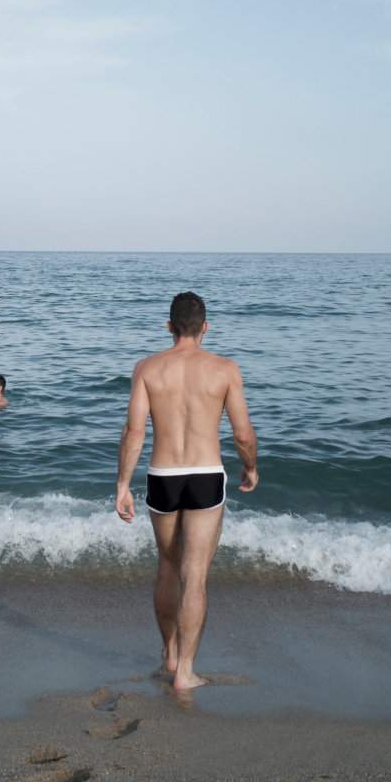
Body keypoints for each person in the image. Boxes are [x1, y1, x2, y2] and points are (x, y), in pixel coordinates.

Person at [115, 292, 258, 691]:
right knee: (194, 576)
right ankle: (186, 673)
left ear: (169, 327)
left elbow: (134, 432)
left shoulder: (147, 368)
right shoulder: (225, 369)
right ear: (205, 328)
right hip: (205, 475)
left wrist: (122, 485)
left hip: (162, 475)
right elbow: (243, 434)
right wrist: (250, 467)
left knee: (166, 565)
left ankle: (169, 655)